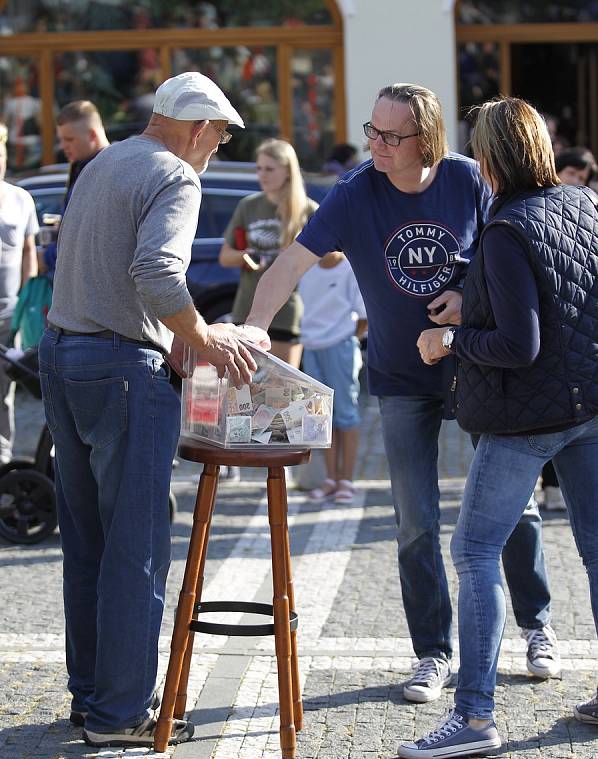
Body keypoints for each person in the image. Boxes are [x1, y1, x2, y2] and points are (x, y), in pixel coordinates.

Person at [244, 83, 559, 703]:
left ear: (428, 140)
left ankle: (537, 624)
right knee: (414, 519)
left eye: (392, 136)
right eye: (373, 131)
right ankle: (432, 653)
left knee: (513, 505)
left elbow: (511, 254)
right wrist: (255, 327)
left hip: (477, 366)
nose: (377, 145)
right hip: (399, 377)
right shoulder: (357, 191)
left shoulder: (469, 179)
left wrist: (469, 300)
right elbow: (289, 263)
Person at [39, 71, 268, 748]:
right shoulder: (174, 172)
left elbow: (108, 272)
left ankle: (92, 699)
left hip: (64, 354)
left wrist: (174, 334)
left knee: (87, 544)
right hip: (118, 369)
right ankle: (118, 715)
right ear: (197, 127)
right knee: (135, 547)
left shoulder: (107, 160)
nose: (216, 152)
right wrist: (202, 338)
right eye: (220, 137)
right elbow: (158, 273)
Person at [407, 96, 598, 759]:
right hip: (588, 410)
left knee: (476, 552)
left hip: (527, 420)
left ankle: (474, 718)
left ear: (488, 157)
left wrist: (451, 338)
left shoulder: (507, 228)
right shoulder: (583, 203)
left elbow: (519, 344)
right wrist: (476, 293)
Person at [219, 138, 319, 370]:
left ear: (287, 171)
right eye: (259, 168)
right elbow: (225, 256)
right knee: (247, 391)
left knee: (283, 392)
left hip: (289, 312)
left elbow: (333, 260)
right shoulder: (248, 206)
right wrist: (243, 257)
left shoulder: (308, 209)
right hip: (247, 309)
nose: (262, 175)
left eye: (269, 169)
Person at [538, 146, 598, 512]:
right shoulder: (536, 208)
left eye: (582, 176)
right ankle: (547, 484)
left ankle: (564, 487)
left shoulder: (590, 209)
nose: (575, 180)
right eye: (570, 172)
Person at [299, 251, 367, 503]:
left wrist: (347, 341)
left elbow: (363, 316)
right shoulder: (306, 268)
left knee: (345, 413)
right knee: (321, 416)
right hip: (311, 347)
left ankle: (346, 480)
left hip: (340, 347)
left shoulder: (350, 268)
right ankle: (330, 479)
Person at [0, 121, 39, 462]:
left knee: (4, 394)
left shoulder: (20, 198)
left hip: (8, 316)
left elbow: (30, 251)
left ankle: (2, 460)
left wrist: (26, 301)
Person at [42, 101, 110, 276]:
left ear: (93, 135)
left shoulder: (107, 171)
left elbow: (82, 239)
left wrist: (47, 257)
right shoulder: (84, 165)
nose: (63, 146)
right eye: (61, 139)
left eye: (69, 139)